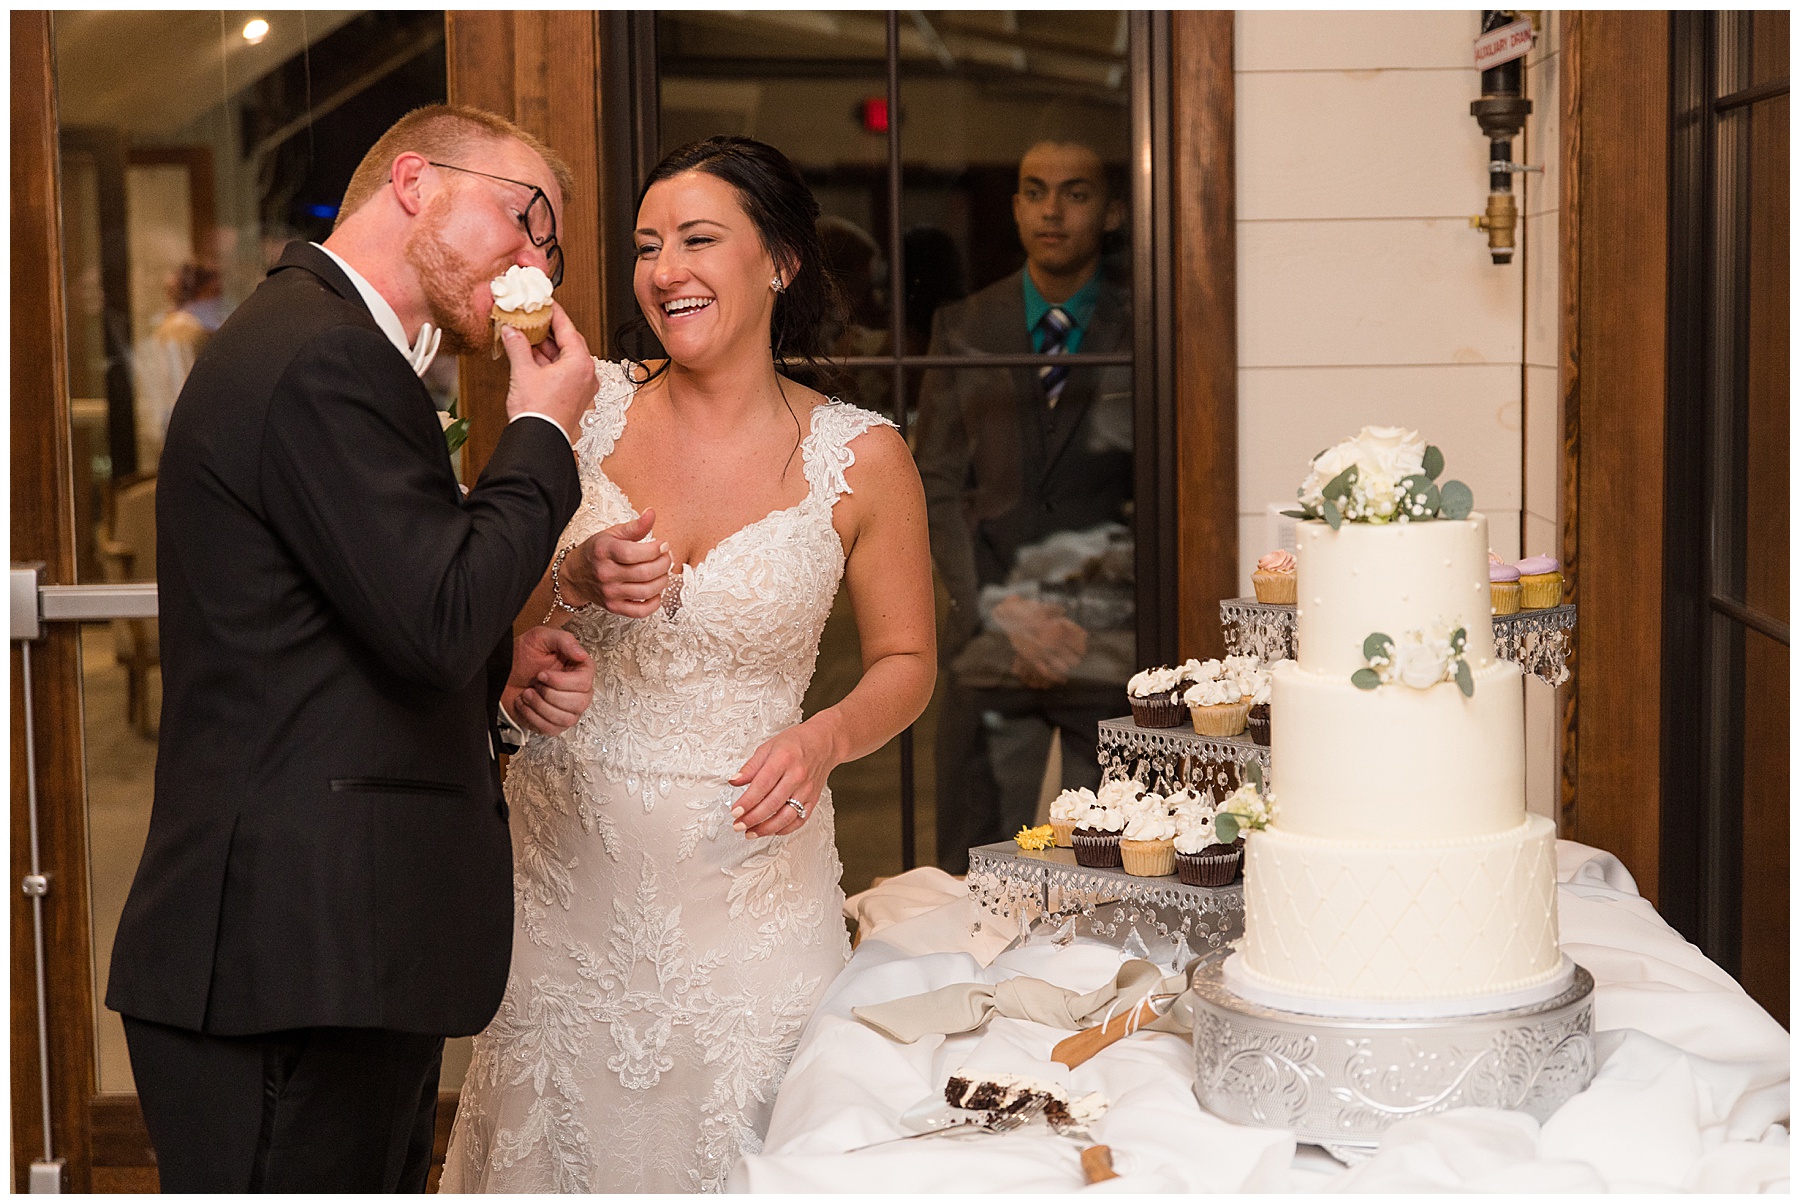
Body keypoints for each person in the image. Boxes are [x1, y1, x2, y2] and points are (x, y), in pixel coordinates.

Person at [105, 104, 602, 1192]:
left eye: (548, 246)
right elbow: (434, 615)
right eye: (524, 219)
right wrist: (544, 429)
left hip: (335, 955)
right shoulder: (325, 353)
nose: (535, 260)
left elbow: (351, 617)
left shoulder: (335, 344)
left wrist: (494, 667)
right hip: (290, 961)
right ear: (415, 180)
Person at [442, 136, 936, 1193]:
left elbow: (906, 659)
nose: (666, 270)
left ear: (781, 263)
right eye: (646, 246)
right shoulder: (577, 405)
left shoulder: (865, 456)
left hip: (755, 890)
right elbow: (471, 603)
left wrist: (825, 738)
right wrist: (571, 574)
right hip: (568, 878)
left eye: (699, 240)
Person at [913, 134, 1135, 873]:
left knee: (1107, 869)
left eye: (1076, 193)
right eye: (1035, 190)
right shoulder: (966, 327)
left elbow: (1159, 494)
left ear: (1111, 212)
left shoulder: (1149, 328)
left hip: (1109, 641)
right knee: (974, 870)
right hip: (991, 634)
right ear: (1014, 208)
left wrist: (1079, 616)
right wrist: (1007, 609)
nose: (1052, 210)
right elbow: (938, 485)